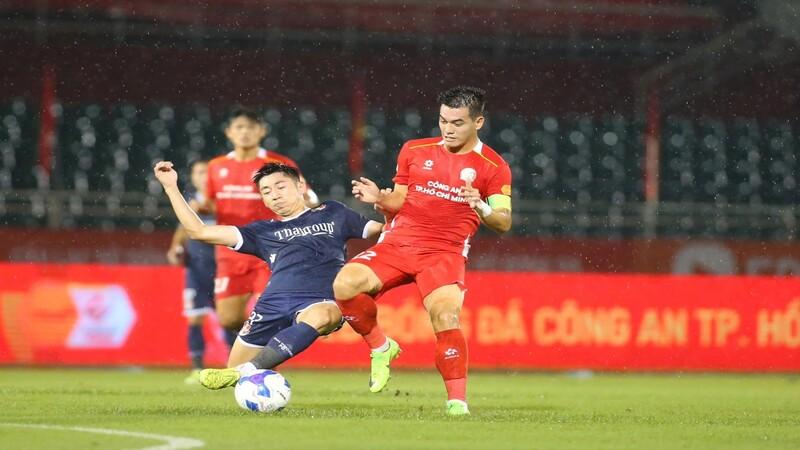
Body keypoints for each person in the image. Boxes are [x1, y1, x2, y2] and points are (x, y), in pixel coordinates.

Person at [332, 86, 513, 416]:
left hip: (444, 254)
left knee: (445, 316)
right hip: (398, 244)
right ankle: (381, 347)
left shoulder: (494, 166)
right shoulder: (414, 150)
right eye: (443, 120)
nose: (447, 129)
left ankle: (457, 403)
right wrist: (379, 199)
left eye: (457, 123)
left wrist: (482, 207)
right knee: (344, 284)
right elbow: (399, 200)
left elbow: (503, 221)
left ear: (478, 122)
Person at [154, 161, 384, 389]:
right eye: (266, 191)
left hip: (319, 300)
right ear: (263, 200)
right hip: (271, 305)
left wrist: (383, 202)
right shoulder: (262, 231)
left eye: (280, 186)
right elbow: (199, 232)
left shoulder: (333, 212)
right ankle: (249, 374)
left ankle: (247, 370)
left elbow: (386, 232)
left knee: (324, 315)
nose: (274, 195)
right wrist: (170, 187)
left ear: (300, 186)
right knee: (239, 379)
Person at [202, 107, 318, 348]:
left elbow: (306, 196)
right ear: (229, 132)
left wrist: (312, 205)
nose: (245, 132)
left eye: (251, 127)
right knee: (229, 318)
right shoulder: (216, 166)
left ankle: (265, 357)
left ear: (262, 131)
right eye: (239, 127)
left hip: (269, 248)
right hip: (229, 250)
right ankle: (258, 347)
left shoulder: (278, 164)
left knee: (269, 313)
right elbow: (210, 203)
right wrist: (201, 207)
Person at [165, 159, 217, 383]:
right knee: (195, 319)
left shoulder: (223, 199)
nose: (203, 176)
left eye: (206, 172)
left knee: (230, 319)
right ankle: (197, 368)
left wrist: (210, 208)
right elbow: (182, 229)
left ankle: (237, 366)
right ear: (193, 177)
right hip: (196, 269)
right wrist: (175, 248)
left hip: (223, 267)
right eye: (198, 172)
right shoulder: (188, 202)